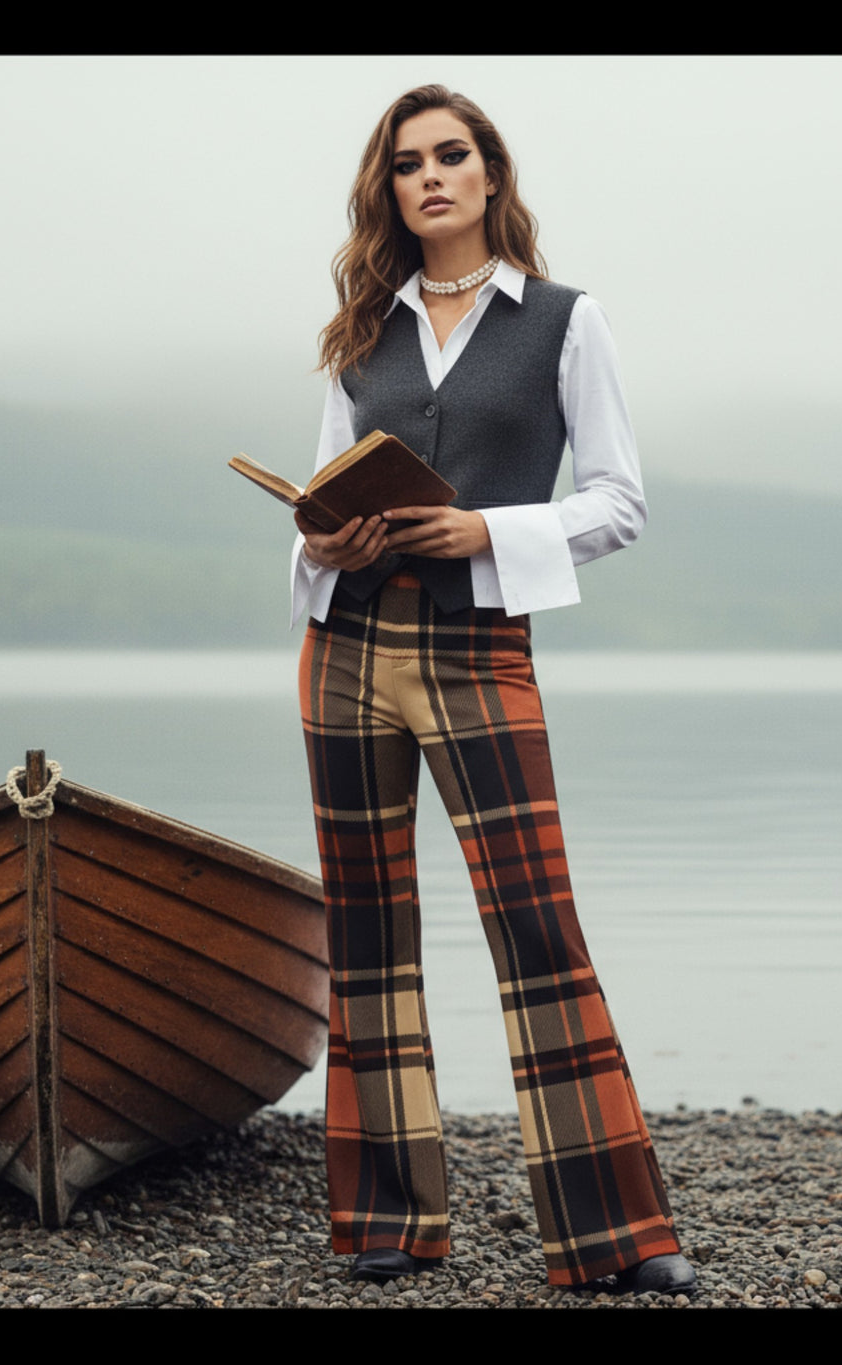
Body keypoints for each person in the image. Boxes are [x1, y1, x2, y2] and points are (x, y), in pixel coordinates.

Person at [291, 84, 695, 1297]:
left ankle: (617, 1237)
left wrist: (482, 530)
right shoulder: (360, 332)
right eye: (407, 162)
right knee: (366, 931)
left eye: (450, 155)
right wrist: (324, 545)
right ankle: (384, 1225)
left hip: (479, 644)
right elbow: (320, 498)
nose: (430, 177)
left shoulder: (565, 322)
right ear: (389, 190)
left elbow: (619, 504)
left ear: (488, 172)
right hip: (345, 647)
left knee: (535, 926)